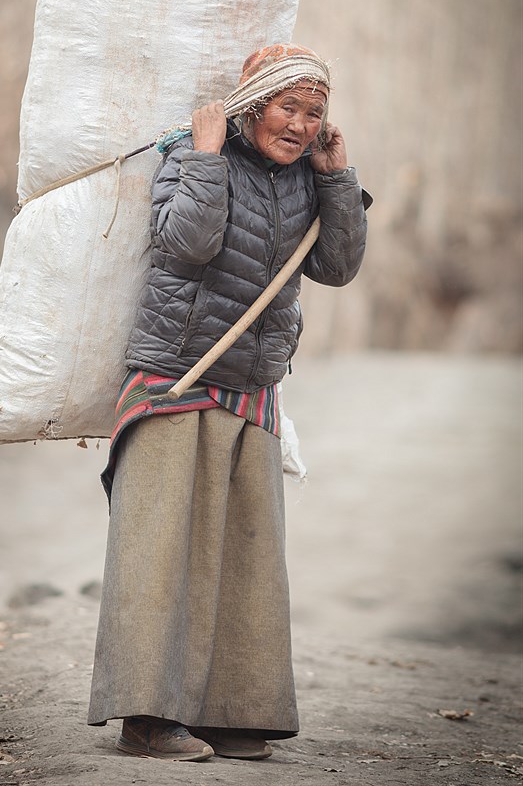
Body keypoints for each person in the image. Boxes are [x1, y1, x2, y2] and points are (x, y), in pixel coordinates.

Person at [87, 43, 370, 762]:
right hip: (175, 377)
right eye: (288, 107)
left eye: (315, 113)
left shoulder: (312, 177)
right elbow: (185, 243)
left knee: (245, 555)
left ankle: (232, 710)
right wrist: (209, 156)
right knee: (158, 552)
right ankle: (146, 717)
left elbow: (336, 267)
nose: (301, 125)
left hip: (252, 386)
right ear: (253, 107)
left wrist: (338, 180)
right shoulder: (190, 154)